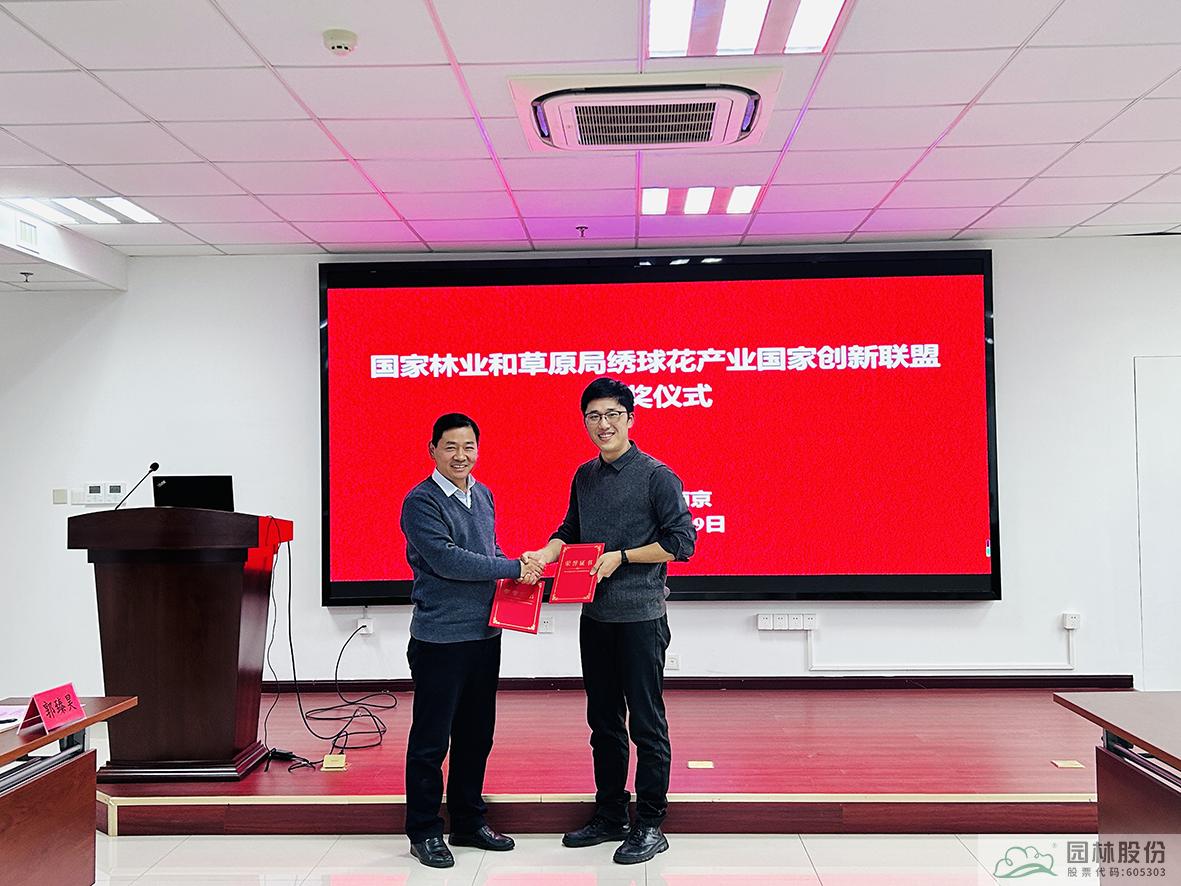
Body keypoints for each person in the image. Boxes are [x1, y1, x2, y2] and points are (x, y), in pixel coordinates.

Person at [523, 377, 696, 865]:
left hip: (641, 618)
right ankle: (610, 813)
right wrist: (545, 553)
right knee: (603, 722)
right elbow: (570, 531)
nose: (603, 424)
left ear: (630, 419)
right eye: (594, 416)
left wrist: (622, 557)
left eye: (612, 415)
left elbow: (682, 543)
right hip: (595, 616)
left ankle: (651, 823)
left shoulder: (657, 476)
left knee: (646, 723)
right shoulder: (585, 476)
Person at [400, 412, 541, 869]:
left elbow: (489, 551)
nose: (461, 456)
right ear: (433, 450)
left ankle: (467, 821)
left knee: (476, 735)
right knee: (431, 740)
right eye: (451, 447)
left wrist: (522, 572)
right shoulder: (420, 501)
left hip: (484, 634)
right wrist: (514, 567)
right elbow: (448, 560)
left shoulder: (483, 494)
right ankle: (424, 831)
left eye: (469, 447)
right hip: (440, 639)